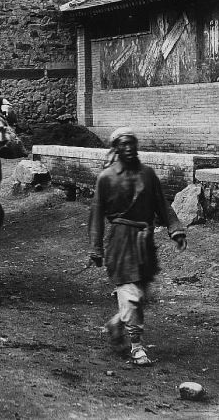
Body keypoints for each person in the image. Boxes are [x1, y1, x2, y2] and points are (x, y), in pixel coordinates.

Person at [88, 127, 187, 366]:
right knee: (131, 296)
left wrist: (175, 229)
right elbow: (96, 215)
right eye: (123, 144)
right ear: (116, 149)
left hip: (145, 243)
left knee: (141, 295)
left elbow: (161, 203)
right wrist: (95, 249)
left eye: (132, 143)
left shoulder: (147, 174)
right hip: (120, 243)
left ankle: (116, 323)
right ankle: (136, 347)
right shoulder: (106, 178)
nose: (129, 148)